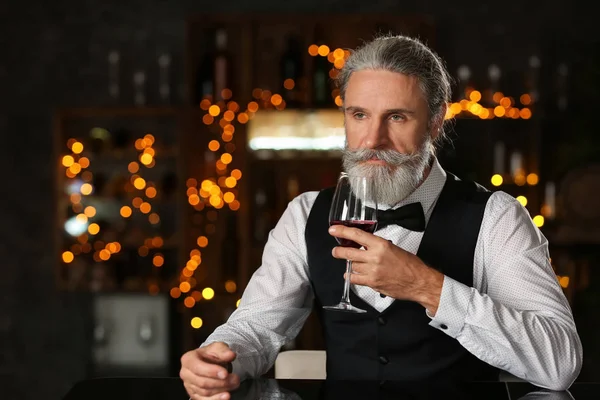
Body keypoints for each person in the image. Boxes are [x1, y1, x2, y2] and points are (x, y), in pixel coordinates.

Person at [180, 34, 583, 400]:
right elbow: (257, 327)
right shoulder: (304, 213)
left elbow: (559, 364)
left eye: (396, 117)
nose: (373, 141)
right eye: (359, 115)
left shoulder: (498, 218)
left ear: (436, 121)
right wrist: (219, 360)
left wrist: (427, 287)